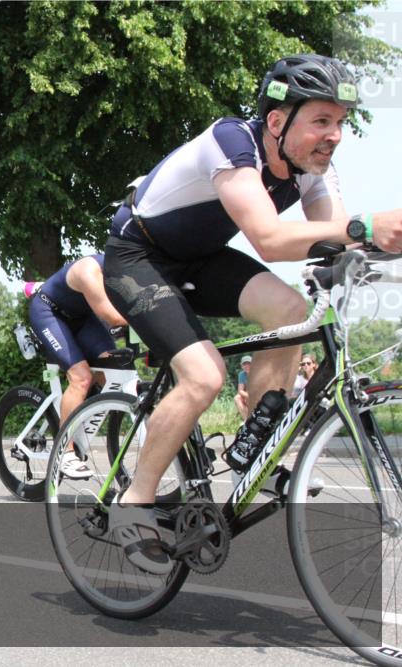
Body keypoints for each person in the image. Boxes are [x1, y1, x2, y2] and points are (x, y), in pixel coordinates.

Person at [101, 54, 402, 574]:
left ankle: (255, 445)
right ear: (278, 121)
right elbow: (269, 239)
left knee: (291, 309)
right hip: (139, 258)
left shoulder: (310, 169)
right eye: (321, 120)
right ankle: (133, 503)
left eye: (340, 122)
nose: (334, 136)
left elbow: (333, 239)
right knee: (204, 375)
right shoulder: (231, 142)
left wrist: (372, 245)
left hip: (201, 259)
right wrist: (365, 226)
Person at [25, 254, 128, 477]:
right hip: (49, 314)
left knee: (111, 369)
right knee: (81, 378)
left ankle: (76, 416)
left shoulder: (128, 271)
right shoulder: (88, 270)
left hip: (82, 317)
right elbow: (113, 318)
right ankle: (65, 451)